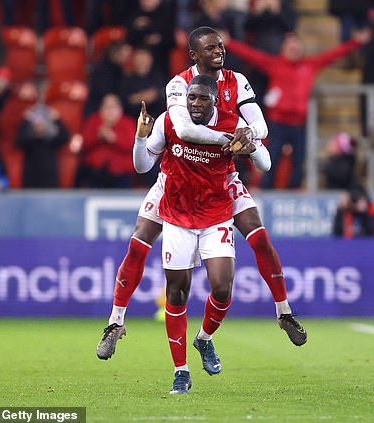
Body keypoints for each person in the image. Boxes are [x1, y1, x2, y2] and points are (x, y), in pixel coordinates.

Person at [96, 26, 307, 361]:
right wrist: (230, 139)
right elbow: (182, 129)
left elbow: (262, 131)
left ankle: (283, 312)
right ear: (194, 54)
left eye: (221, 45)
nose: (219, 51)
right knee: (138, 242)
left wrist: (249, 137)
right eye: (210, 47)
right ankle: (115, 323)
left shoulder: (236, 81)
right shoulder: (179, 85)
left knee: (260, 238)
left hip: (220, 180)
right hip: (175, 181)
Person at [132, 75, 261, 394]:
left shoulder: (233, 123)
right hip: (177, 216)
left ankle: (203, 339)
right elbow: (141, 166)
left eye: (203, 98)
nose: (196, 104)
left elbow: (264, 161)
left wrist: (252, 144)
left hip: (216, 214)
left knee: (222, 287)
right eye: (191, 98)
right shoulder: (170, 121)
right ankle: (180, 371)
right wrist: (139, 138)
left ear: (216, 101)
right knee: (176, 293)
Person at [225, 28, 371, 189]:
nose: (294, 49)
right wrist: (229, 43)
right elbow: (250, 55)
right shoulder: (275, 64)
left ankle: (295, 190)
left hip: (299, 124)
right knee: (271, 157)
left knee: (299, 160)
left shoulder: (309, 65)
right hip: (278, 123)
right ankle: (265, 189)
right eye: (290, 46)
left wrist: (355, 42)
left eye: (296, 45)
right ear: (283, 49)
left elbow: (333, 55)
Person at [77, 94, 137, 188]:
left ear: (120, 109)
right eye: (107, 107)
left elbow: (133, 146)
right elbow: (84, 143)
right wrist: (98, 136)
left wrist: (114, 139)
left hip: (121, 173)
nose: (110, 111)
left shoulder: (127, 123)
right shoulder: (93, 121)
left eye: (113, 107)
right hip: (96, 172)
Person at [15, 104, 70, 188]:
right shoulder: (30, 142)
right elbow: (19, 140)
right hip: (31, 180)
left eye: (42, 124)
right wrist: (25, 121)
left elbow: (65, 137)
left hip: (49, 180)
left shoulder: (51, 141)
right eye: (37, 124)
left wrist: (57, 120)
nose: (39, 126)